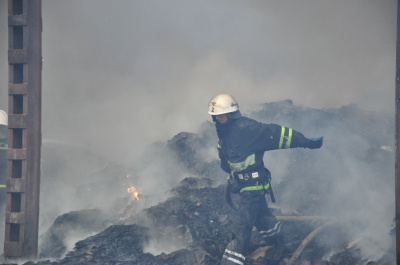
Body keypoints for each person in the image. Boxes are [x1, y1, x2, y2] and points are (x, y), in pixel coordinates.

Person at [207, 93, 323, 265]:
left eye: (222, 116)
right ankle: (279, 242)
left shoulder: (247, 129)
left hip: (253, 186)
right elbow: (226, 160)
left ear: (232, 114)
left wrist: (306, 141)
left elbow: (278, 134)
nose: (219, 119)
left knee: (242, 227)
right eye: (216, 117)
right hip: (243, 185)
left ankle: (231, 261)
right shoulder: (224, 134)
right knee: (263, 218)